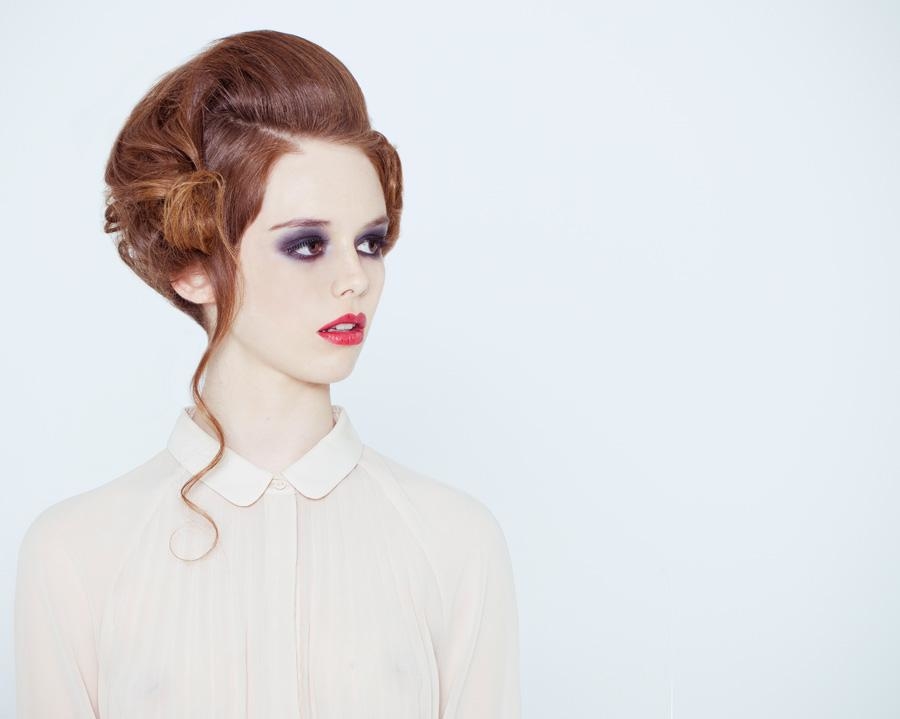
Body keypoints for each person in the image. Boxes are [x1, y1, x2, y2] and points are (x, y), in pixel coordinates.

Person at [13, 29, 521, 718]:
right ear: (193, 266)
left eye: (370, 242)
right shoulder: (75, 556)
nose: (355, 278)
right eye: (307, 244)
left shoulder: (456, 543)